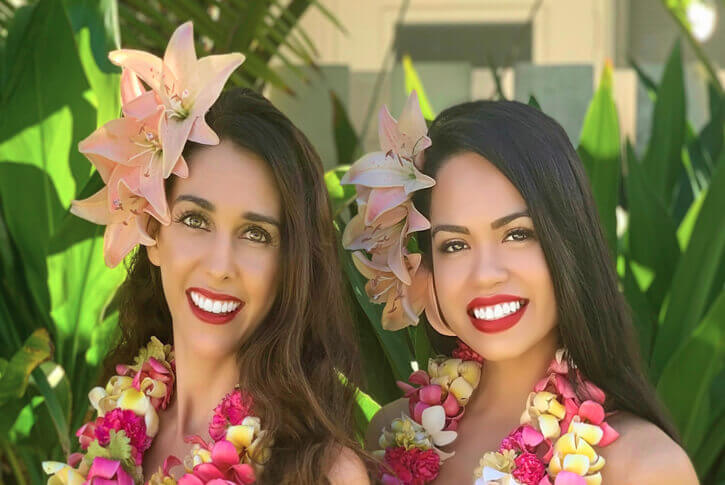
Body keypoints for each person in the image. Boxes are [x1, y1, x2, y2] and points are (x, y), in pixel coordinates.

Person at [43, 22, 369, 485]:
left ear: (290, 266)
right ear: (152, 231)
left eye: (255, 234)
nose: (219, 265)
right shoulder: (109, 428)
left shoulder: (324, 473)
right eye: (196, 220)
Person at [346, 95, 697, 484]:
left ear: (568, 245)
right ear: (427, 268)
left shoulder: (646, 467)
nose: (486, 274)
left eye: (517, 234)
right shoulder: (391, 437)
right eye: (454, 245)